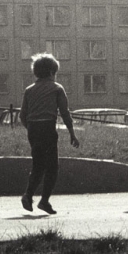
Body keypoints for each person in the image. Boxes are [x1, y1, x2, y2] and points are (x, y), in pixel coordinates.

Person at [19, 53, 80, 215]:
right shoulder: (57, 88)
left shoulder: (29, 90)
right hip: (47, 127)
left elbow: (22, 116)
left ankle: (28, 195)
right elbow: (65, 113)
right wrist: (72, 134)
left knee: (38, 164)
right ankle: (44, 201)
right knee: (52, 166)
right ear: (52, 72)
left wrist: (31, 129)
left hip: (33, 129)